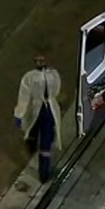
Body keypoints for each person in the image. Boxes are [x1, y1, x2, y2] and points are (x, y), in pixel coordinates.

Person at [14, 53, 62, 183]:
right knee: (34, 129)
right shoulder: (30, 77)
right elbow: (24, 96)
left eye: (42, 60)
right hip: (38, 107)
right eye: (38, 60)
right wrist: (19, 113)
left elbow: (57, 89)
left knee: (47, 139)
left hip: (49, 108)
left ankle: (44, 172)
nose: (40, 63)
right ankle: (33, 147)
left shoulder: (53, 75)